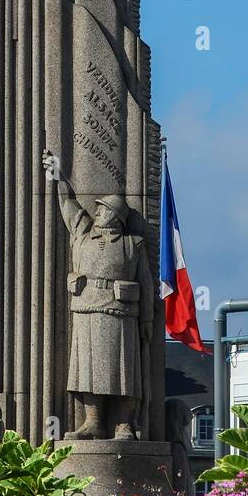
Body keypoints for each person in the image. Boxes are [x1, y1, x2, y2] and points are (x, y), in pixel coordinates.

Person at [42, 149, 153, 440]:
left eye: (103, 208)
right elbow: (68, 204)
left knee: (124, 373)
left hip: (120, 312)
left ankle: (123, 424)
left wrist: (147, 321)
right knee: (87, 370)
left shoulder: (133, 244)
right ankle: (92, 422)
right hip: (87, 308)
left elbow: (147, 283)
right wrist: (56, 174)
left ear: (115, 215)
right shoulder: (82, 234)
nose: (97, 211)